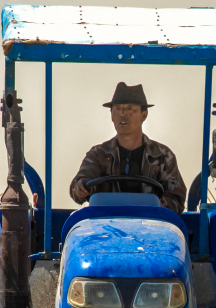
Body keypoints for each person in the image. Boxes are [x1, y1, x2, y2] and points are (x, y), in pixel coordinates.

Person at [69, 82, 187, 214]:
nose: (123, 114)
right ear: (111, 115)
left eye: (130, 108)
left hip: (151, 229)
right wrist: (80, 187)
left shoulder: (163, 156)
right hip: (106, 228)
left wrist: (146, 212)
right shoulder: (98, 154)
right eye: (117, 109)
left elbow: (176, 198)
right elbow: (80, 185)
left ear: (144, 115)